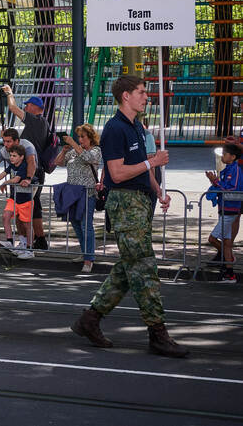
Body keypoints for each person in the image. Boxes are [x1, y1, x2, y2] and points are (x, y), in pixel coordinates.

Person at [71, 75, 187, 357]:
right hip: (124, 203)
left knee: (127, 268)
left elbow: (143, 169)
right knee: (145, 268)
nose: (146, 97)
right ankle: (157, 333)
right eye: (141, 92)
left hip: (141, 201)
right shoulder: (114, 129)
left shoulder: (136, 126)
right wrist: (153, 161)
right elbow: (117, 173)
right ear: (126, 96)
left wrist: (158, 190)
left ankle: (90, 319)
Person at [1, 85, 51, 249]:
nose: (25, 108)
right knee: (33, 204)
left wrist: (9, 93)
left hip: (29, 171)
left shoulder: (35, 120)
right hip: (38, 170)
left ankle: (25, 242)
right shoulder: (43, 123)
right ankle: (39, 239)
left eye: (28, 105)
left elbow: (12, 108)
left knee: (22, 205)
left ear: (36, 108)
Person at [0, 128, 39, 247]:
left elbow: (32, 163)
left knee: (26, 219)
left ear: (17, 141)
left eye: (8, 141)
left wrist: (28, 178)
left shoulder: (27, 148)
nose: (5, 145)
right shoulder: (8, 155)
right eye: (4, 141)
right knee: (9, 215)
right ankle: (16, 241)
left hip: (30, 179)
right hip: (16, 185)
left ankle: (30, 245)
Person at [56, 124, 102, 273]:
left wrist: (74, 144)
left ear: (90, 137)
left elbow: (88, 158)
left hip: (87, 193)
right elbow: (58, 163)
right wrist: (63, 151)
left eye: (83, 137)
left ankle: (89, 259)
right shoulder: (75, 152)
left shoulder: (96, 150)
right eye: (79, 137)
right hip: (73, 192)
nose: (80, 139)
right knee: (76, 224)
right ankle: (84, 253)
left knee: (85, 225)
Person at [206, 139, 243, 282]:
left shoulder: (236, 170)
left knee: (212, 239)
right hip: (224, 209)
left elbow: (232, 189)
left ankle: (230, 260)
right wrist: (214, 181)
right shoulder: (227, 169)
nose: (223, 156)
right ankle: (230, 273)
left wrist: (215, 181)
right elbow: (223, 186)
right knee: (227, 243)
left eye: (225, 154)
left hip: (230, 210)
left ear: (232, 156)